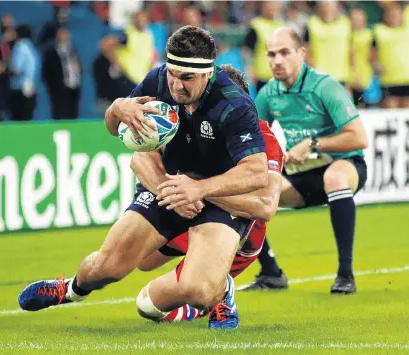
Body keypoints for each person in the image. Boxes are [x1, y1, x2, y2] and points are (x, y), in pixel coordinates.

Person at [18, 26, 270, 329]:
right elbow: (117, 130)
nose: (176, 85)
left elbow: (256, 171)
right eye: (174, 73)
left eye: (187, 78)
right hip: (169, 184)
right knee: (107, 267)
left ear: (207, 73)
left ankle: (221, 290)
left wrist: (200, 189)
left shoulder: (234, 104)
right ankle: (69, 289)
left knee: (199, 292)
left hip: (218, 198)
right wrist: (116, 109)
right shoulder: (159, 79)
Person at [131, 64, 285, 323]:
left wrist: (200, 186)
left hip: (237, 240)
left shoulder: (264, 140)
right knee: (141, 258)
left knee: (149, 305)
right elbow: (139, 159)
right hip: (194, 218)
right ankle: (202, 287)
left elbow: (266, 207)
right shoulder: (191, 122)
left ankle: (220, 291)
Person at [240, 28, 368, 294]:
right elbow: (253, 138)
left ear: (302, 53)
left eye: (285, 53)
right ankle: (271, 273)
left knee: (334, 177)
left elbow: (359, 137)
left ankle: (346, 275)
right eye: (271, 54)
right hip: (302, 178)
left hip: (344, 166)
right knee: (245, 196)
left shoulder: (324, 86)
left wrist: (312, 143)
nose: (277, 60)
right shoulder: (268, 94)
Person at [42, 26, 81, 119]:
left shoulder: (72, 50)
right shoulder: (51, 52)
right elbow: (46, 71)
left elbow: (77, 66)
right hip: (59, 89)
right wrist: (52, 86)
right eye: (62, 33)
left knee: (72, 113)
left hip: (73, 87)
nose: (64, 36)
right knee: (60, 113)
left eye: (66, 33)